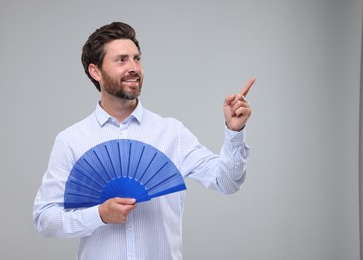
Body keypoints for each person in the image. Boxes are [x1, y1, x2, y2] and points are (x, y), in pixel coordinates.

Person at [33, 21, 255, 260]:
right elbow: (45, 218)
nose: (133, 68)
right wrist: (98, 215)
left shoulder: (171, 133)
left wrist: (235, 132)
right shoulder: (71, 140)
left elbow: (227, 182)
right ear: (95, 71)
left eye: (136, 58)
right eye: (121, 60)